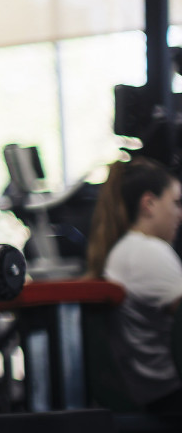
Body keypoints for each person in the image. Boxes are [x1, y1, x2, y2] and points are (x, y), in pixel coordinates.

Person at [86, 155, 182, 415]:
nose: (180, 215)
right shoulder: (147, 252)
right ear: (149, 204)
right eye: (175, 203)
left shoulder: (128, 249)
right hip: (168, 399)